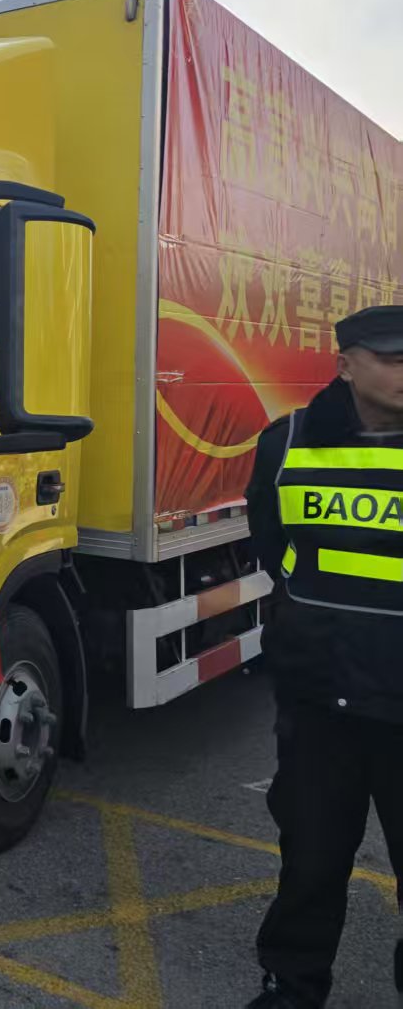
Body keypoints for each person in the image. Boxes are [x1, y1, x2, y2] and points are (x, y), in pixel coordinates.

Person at [245, 305, 403, 1008]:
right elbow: (272, 540)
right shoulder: (286, 443)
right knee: (310, 857)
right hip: (319, 702)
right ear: (345, 365)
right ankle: (291, 985)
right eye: (392, 357)